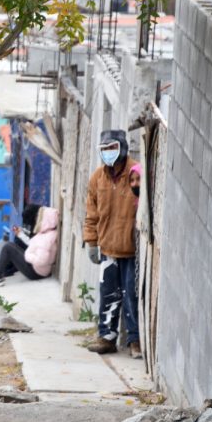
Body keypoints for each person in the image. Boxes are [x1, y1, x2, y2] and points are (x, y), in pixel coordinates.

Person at [83, 130, 141, 359]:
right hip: (108, 248)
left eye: (112, 148)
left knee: (131, 296)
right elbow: (91, 213)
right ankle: (107, 337)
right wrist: (91, 241)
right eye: (104, 149)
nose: (108, 154)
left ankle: (135, 341)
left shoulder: (136, 172)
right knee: (108, 294)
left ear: (122, 148)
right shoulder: (98, 177)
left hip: (132, 249)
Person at [0, 206, 59, 287]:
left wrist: (27, 255)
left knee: (8, 247)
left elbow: (41, 260)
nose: (38, 220)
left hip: (36, 272)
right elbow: (32, 243)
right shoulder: (47, 233)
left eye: (40, 217)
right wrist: (20, 234)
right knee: (13, 244)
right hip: (38, 269)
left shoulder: (47, 238)